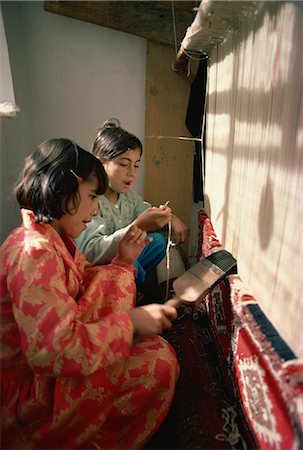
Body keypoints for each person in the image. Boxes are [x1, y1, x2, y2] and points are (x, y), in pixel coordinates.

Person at [0, 138, 180, 450]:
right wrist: (130, 324)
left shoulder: (52, 240)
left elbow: (85, 288)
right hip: (26, 396)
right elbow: (49, 350)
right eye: (91, 197)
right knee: (158, 365)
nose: (96, 208)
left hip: (44, 369)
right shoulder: (34, 251)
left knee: (157, 353)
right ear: (62, 191)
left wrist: (123, 262)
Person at [76, 118, 189, 286]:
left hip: (123, 258)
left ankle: (133, 281)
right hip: (99, 267)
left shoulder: (128, 197)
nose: (132, 173)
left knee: (157, 241)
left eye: (136, 165)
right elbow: (92, 252)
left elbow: (147, 212)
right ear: (100, 164)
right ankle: (131, 287)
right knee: (131, 260)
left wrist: (171, 218)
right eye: (124, 164)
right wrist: (138, 227)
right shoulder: (92, 201)